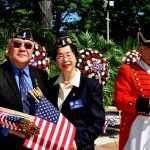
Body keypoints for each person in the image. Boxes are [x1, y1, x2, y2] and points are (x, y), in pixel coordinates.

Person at [48, 33, 105, 150]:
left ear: (76, 56)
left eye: (69, 55)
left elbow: (98, 121)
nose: (65, 60)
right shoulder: (50, 85)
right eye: (60, 56)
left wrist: (77, 142)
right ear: (55, 60)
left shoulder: (90, 86)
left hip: (79, 146)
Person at [0, 26, 49, 149]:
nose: (22, 49)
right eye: (17, 44)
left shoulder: (42, 76)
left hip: (37, 144)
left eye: (27, 46)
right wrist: (8, 130)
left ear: (32, 51)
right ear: (9, 48)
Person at [114, 24, 150, 150]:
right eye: (147, 47)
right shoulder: (127, 70)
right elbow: (119, 100)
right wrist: (144, 104)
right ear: (140, 48)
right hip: (137, 130)